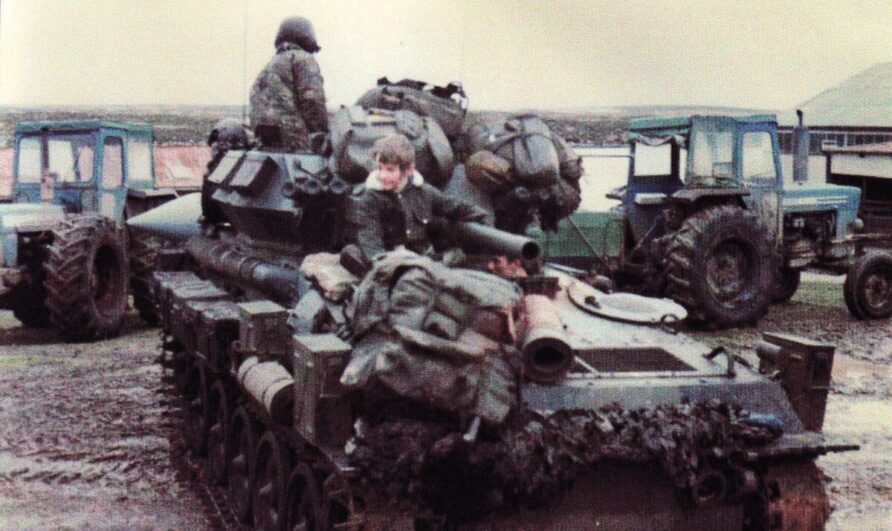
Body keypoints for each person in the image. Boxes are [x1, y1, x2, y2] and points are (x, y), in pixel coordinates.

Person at [347, 134, 487, 263]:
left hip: (423, 258)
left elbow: (453, 207)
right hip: (391, 261)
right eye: (379, 168)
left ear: (409, 170)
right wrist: (381, 264)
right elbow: (370, 238)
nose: (382, 175)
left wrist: (482, 217)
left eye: (390, 170)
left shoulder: (423, 191)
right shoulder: (371, 199)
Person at [249, 16, 329, 152]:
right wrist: (323, 133)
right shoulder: (303, 59)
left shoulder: (270, 64)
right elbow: (312, 99)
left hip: (266, 138)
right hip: (294, 136)